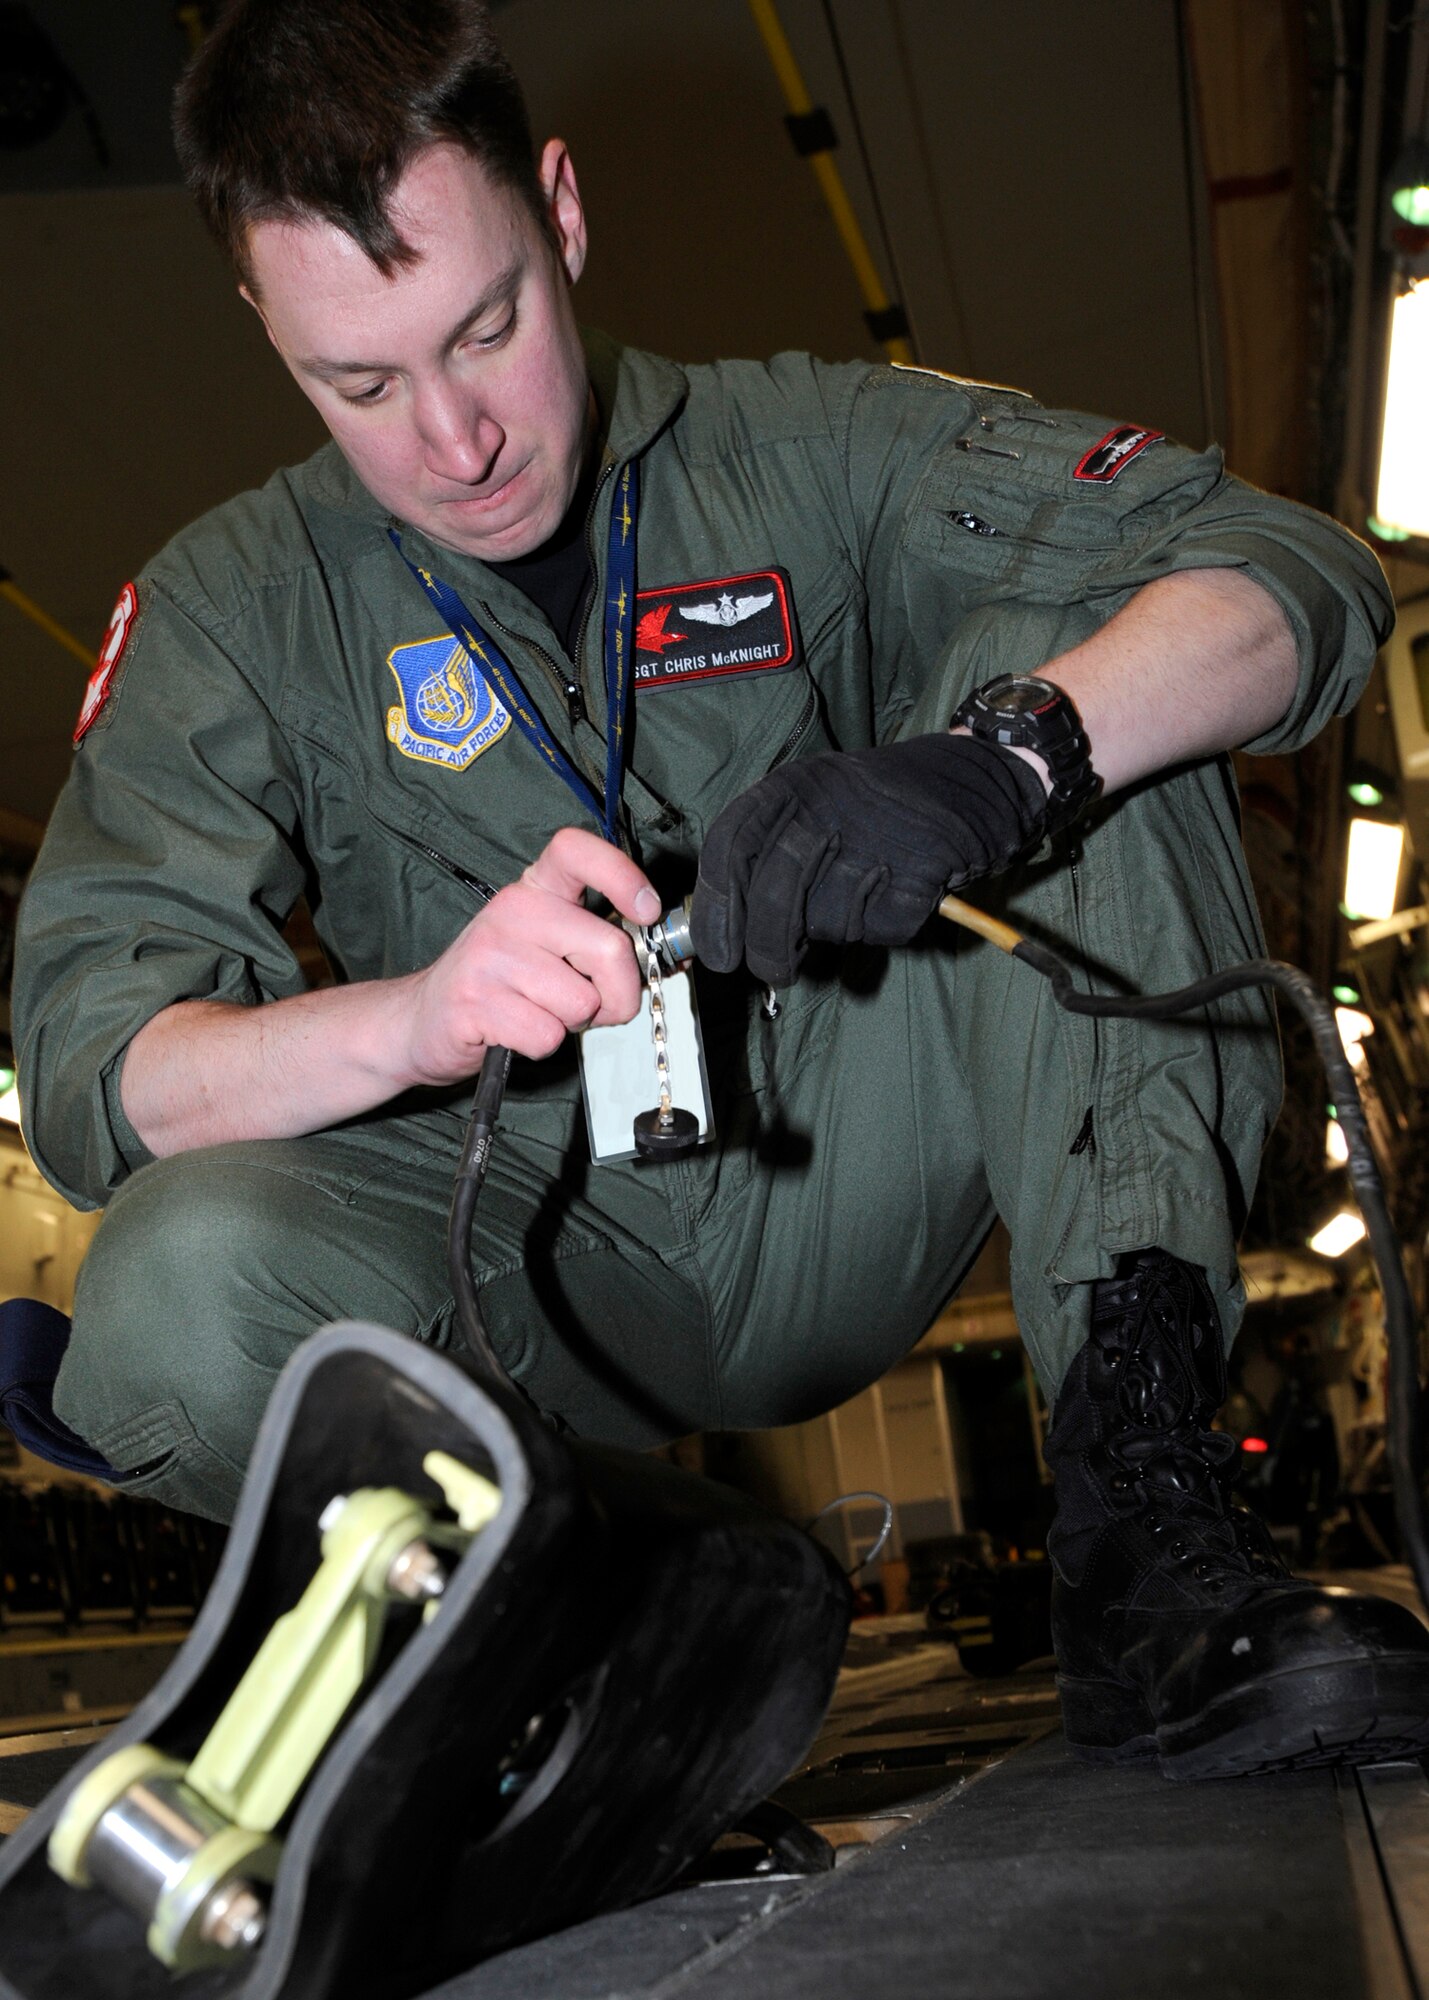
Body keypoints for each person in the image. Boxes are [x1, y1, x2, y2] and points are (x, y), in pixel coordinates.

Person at [12, 0, 1428, 1779]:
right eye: (356, 383)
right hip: (521, 1250)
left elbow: (1290, 565)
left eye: (487, 325)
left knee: (1075, 691)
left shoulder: (805, 447)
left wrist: (997, 761)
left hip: (841, 1157)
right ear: (264, 323)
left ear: (564, 212)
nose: (452, 438)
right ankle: (588, 1589)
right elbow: (90, 1061)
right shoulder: (234, 605)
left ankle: (1143, 1536)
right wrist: (421, 1014)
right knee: (161, 1288)